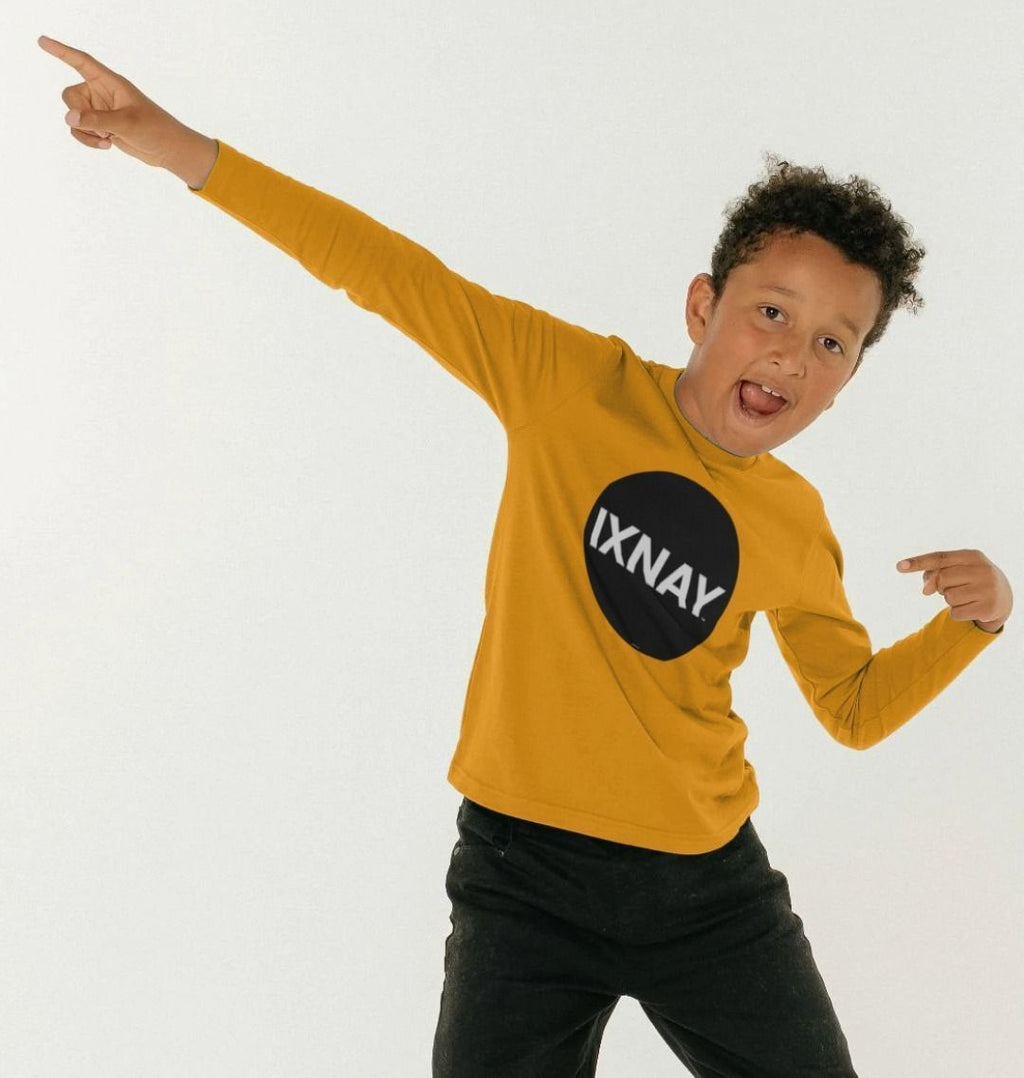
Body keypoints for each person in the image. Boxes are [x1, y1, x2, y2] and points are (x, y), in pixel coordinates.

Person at [38, 33, 1012, 1078]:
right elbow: (383, 271)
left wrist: (976, 622)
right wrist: (176, 145)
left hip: (707, 894)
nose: (789, 352)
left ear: (849, 375)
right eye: (769, 311)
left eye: (832, 342)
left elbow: (852, 708)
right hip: (522, 880)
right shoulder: (566, 385)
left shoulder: (793, 519)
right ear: (702, 306)